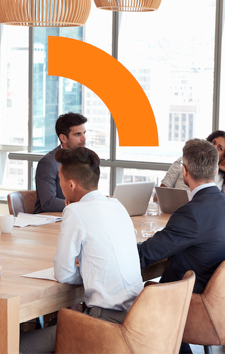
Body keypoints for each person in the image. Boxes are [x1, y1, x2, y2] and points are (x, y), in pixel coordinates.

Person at [20, 147, 143, 354]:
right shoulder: (117, 205)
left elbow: (62, 273)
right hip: (137, 318)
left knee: (14, 345)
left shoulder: (75, 211)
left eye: (60, 180)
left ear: (71, 184)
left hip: (105, 325)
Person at [140, 139, 225, 354]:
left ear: (185, 171)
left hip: (195, 303)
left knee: (141, 295)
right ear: (215, 169)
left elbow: (147, 254)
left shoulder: (191, 212)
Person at [160, 130, 225, 203]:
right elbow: (159, 196)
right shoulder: (183, 161)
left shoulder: (221, 176)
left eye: (220, 148)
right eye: (213, 143)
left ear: (224, 157)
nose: (213, 147)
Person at [33, 112, 87, 213]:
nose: (84, 139)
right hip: (48, 221)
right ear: (63, 138)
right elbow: (48, 203)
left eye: (84, 133)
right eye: (77, 134)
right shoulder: (48, 162)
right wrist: (81, 206)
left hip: (74, 216)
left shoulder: (84, 159)